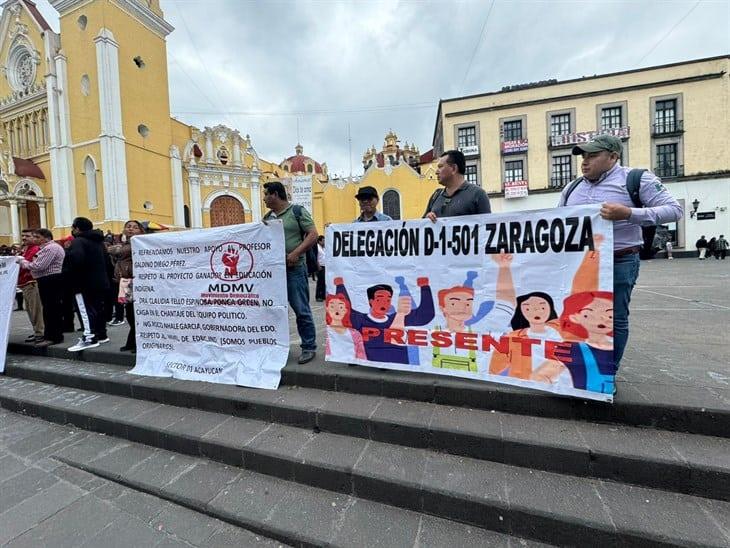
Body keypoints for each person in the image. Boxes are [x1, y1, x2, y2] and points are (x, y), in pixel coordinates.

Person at [559, 134, 682, 369]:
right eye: (583, 156)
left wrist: (629, 213)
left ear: (613, 156)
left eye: (593, 155)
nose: (585, 161)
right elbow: (559, 221)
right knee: (577, 314)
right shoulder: (572, 187)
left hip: (620, 260)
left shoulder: (637, 179)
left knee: (613, 318)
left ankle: (607, 372)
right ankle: (579, 369)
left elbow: (674, 211)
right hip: (581, 263)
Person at [262, 181, 318, 364]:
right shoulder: (267, 218)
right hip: (275, 273)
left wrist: (295, 253)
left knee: (301, 310)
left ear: (276, 195)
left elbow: (313, 234)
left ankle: (309, 347)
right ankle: (279, 347)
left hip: (295, 269)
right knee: (276, 311)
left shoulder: (297, 211)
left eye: (266, 195)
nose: (264, 199)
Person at [63, 217, 110, 352]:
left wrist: (67, 253)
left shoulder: (78, 242)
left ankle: (89, 337)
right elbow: (106, 261)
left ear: (77, 228)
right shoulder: (99, 242)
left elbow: (76, 260)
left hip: (83, 283)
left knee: (85, 310)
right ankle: (101, 334)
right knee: (98, 309)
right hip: (99, 281)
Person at [18, 229, 65, 347]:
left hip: (50, 279)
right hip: (47, 279)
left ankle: (53, 337)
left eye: (37, 237)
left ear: (45, 238)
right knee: (49, 309)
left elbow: (38, 266)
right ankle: (51, 335)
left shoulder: (51, 248)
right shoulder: (46, 248)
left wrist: (23, 262)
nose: (34, 239)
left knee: (51, 309)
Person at [108, 220, 145, 353]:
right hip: (124, 282)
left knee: (134, 313)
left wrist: (115, 248)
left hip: (135, 281)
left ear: (140, 230)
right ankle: (132, 341)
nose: (131, 229)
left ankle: (137, 343)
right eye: (128, 227)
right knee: (129, 312)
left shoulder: (140, 242)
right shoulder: (125, 243)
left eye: (135, 227)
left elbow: (115, 250)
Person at [424, 149, 491, 221]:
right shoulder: (436, 195)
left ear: (454, 168)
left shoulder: (478, 194)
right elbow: (421, 226)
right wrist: (427, 219)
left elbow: (487, 226)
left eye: (440, 167)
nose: (436, 172)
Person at [17, 228, 44, 343]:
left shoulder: (35, 250)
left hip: (31, 283)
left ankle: (40, 333)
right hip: (24, 283)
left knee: (35, 310)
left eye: (27, 236)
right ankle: (36, 331)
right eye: (23, 236)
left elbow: (32, 265)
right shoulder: (25, 249)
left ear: (34, 237)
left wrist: (20, 261)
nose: (24, 238)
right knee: (29, 309)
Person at [315, 235, 326, 302]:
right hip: (320, 266)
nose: (324, 241)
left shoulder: (324, 248)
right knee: (320, 282)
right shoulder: (317, 248)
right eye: (323, 240)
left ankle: (323, 295)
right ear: (319, 241)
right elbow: (315, 257)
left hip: (325, 265)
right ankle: (318, 296)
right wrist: (318, 266)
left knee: (324, 281)